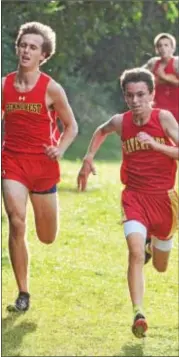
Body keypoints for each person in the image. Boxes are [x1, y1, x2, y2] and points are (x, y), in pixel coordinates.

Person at [77, 68, 179, 338]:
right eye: (129, 95)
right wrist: (88, 158)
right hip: (133, 196)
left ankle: (151, 244)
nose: (135, 101)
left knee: (160, 265)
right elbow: (100, 131)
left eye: (141, 95)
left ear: (152, 95)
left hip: (165, 200)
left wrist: (157, 146)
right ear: (124, 96)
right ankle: (138, 313)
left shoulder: (164, 118)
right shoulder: (121, 122)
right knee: (134, 253)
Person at [2, 21, 78, 312]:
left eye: (33, 47)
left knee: (47, 237)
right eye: (23, 44)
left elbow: (71, 126)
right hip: (12, 161)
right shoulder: (4, 85)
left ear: (43, 55)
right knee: (16, 220)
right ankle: (23, 293)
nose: (26, 50)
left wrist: (59, 148)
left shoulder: (52, 89)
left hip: (43, 166)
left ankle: (41, 234)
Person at [143, 32, 179, 122]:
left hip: (176, 109)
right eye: (160, 46)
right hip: (157, 109)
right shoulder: (153, 63)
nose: (163, 48)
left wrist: (164, 77)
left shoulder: (176, 62)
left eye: (166, 45)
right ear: (156, 49)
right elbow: (139, 77)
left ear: (172, 48)